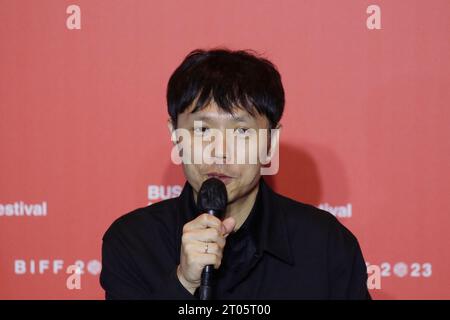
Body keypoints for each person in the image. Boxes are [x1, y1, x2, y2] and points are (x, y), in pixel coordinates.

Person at [100, 48, 370, 299]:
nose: (220, 151)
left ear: (270, 142)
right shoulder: (133, 242)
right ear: (175, 135)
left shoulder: (324, 244)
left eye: (241, 132)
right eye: (203, 130)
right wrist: (183, 283)